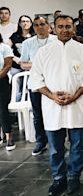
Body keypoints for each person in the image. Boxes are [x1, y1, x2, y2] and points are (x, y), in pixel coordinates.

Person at [30, 15, 83, 195]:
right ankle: (59, 178)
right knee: (55, 146)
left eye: (68, 26)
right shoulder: (44, 52)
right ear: (54, 28)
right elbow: (35, 79)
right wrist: (52, 95)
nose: (65, 30)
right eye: (61, 27)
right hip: (52, 106)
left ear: (74, 29)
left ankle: (74, 177)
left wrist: (74, 96)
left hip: (77, 104)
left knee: (76, 145)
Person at [20, 17, 57, 155]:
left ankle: (56, 142)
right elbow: (23, 64)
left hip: (54, 82)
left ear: (48, 26)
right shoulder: (27, 43)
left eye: (42, 24)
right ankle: (41, 141)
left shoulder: (56, 40)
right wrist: (38, 64)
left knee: (54, 112)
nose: (39, 27)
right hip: (36, 83)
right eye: (36, 25)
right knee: (38, 114)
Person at [0, 33, 15, 151]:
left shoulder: (4, 47)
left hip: (2, 80)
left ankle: (9, 136)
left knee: (2, 109)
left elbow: (7, 66)